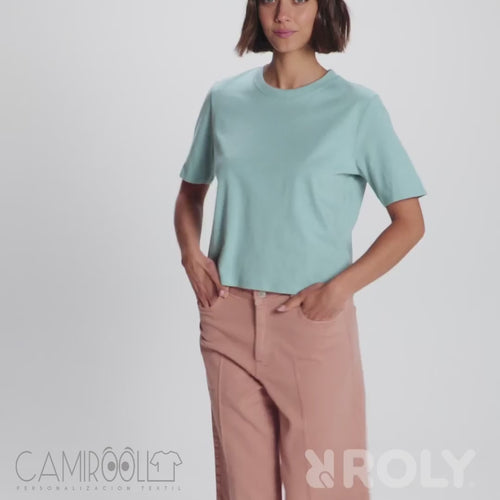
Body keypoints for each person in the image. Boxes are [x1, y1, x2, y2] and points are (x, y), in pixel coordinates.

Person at [174, 0, 427, 498]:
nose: (283, 14)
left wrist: (339, 290)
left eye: (299, 0)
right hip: (227, 319)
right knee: (242, 490)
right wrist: (190, 254)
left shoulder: (357, 109)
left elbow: (409, 223)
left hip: (311, 325)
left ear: (322, 9)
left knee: (329, 488)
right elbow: (190, 194)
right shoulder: (225, 99)